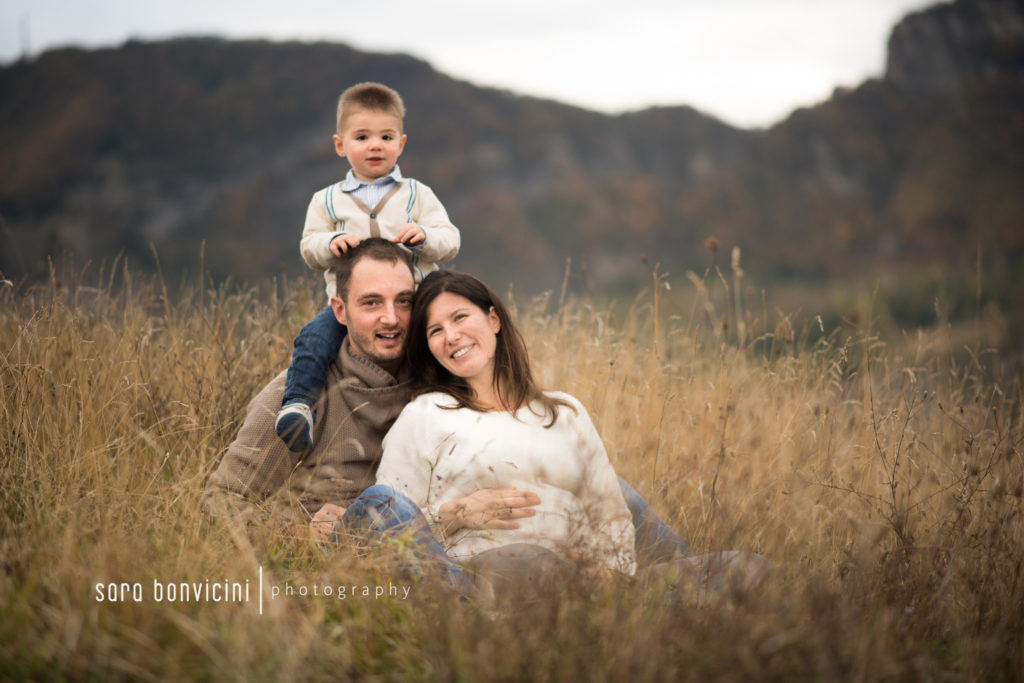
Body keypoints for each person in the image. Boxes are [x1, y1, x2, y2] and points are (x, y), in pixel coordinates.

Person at [205, 240, 691, 583]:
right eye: (371, 303)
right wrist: (296, 536)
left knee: (613, 491)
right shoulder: (301, 396)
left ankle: (687, 576)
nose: (391, 318)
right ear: (339, 311)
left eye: (404, 302)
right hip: (356, 550)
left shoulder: (437, 377)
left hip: (446, 540)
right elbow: (220, 501)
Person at [345, 270, 764, 597]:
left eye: (459, 318)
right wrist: (456, 515)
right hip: (491, 573)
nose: (451, 336)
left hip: (589, 584)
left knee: (748, 568)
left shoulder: (564, 411)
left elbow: (611, 516)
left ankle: (621, 617)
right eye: (435, 331)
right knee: (529, 563)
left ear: (493, 319)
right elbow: (398, 530)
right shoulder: (426, 415)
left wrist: (610, 575)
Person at [275, 81, 460, 453]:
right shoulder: (326, 201)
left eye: (386, 136)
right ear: (341, 145)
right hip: (350, 308)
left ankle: (452, 403)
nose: (375, 145)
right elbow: (309, 248)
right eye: (362, 136)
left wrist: (424, 235)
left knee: (440, 339)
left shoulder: (416, 194)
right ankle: (299, 405)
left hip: (414, 299)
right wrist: (330, 244)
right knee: (314, 337)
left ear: (401, 144)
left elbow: (450, 239)